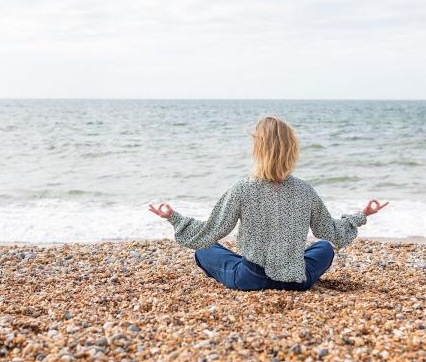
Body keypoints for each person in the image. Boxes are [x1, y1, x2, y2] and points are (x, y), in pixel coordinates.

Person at [148, 116, 388, 291]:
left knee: (205, 249)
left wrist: (173, 217)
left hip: (251, 278)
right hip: (296, 281)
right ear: (291, 151)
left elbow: (210, 232)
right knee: (324, 247)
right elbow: (331, 232)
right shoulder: (305, 190)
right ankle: (287, 267)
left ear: (258, 150)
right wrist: (362, 214)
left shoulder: (243, 188)